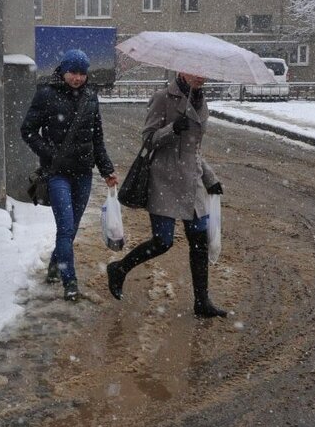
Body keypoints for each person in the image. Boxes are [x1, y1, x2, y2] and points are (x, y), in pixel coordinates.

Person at [106, 72, 227, 318]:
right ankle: (119, 268)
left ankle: (202, 301)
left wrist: (210, 179)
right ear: (182, 70)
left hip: (192, 184)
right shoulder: (162, 98)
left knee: (199, 243)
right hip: (164, 181)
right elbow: (148, 139)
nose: (202, 77)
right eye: (196, 72)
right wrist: (172, 129)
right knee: (163, 241)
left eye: (205, 72)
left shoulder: (201, 101)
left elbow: (194, 150)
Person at [21, 49, 118, 301]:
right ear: (63, 72)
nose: (77, 78)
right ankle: (70, 282)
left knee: (71, 228)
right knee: (65, 227)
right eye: (72, 72)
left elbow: (97, 138)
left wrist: (107, 169)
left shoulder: (90, 97)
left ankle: (55, 266)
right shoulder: (46, 95)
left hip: (83, 173)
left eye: (81, 73)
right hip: (57, 174)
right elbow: (28, 130)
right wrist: (50, 153)